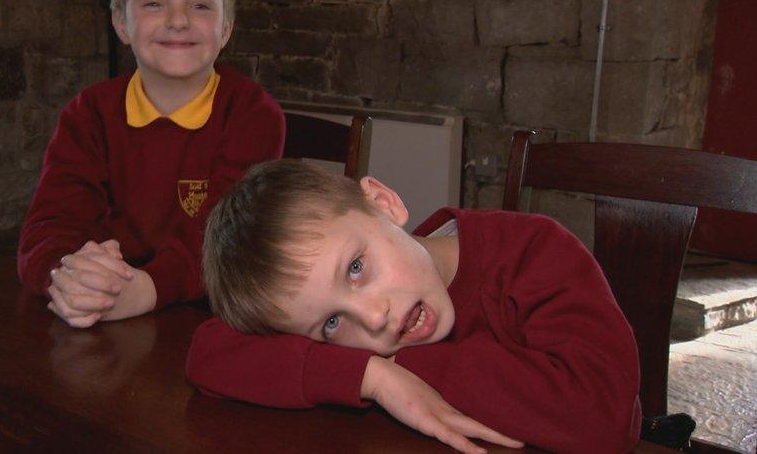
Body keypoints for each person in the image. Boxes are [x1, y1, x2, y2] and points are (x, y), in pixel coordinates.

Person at [186, 159, 642, 454]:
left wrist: (407, 362)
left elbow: (603, 420)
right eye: (330, 322)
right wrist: (374, 376)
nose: (372, 317)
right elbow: (209, 353)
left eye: (356, 268)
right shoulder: (363, 314)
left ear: (383, 203)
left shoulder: (533, 252)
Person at [17, 0, 285, 327]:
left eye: (199, 6)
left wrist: (148, 287)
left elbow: (226, 242)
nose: (177, 21)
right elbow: (50, 224)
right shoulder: (87, 114)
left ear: (226, 28)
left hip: (210, 320)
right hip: (108, 313)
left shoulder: (253, 114)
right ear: (121, 24)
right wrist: (66, 277)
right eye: (154, 3)